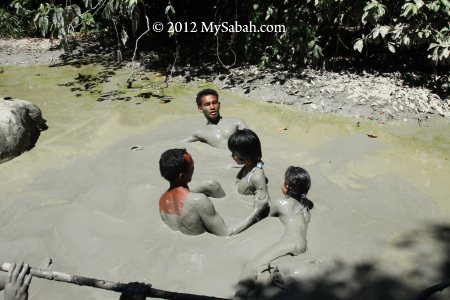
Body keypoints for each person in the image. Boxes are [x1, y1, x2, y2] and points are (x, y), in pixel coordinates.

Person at [234, 166, 313, 299]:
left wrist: (258, 205)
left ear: (286, 186)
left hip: (290, 241)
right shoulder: (306, 209)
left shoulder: (281, 203)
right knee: (270, 265)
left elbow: (261, 216)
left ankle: (238, 298)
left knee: (250, 267)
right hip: (302, 245)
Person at [158, 148, 268, 236]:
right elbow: (226, 233)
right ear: (181, 176)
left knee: (211, 184)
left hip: (187, 231)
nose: (194, 167)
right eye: (192, 166)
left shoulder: (162, 200)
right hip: (212, 242)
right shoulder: (199, 201)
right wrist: (257, 211)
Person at [228, 129, 268, 196]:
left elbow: (266, 201)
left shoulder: (257, 177)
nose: (231, 155)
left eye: (234, 153)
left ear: (245, 153)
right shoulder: (249, 165)